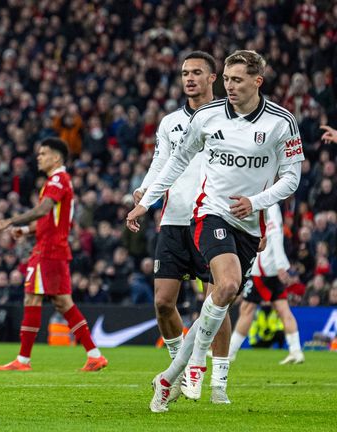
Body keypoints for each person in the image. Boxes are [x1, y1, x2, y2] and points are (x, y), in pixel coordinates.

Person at [127, 50, 304, 412]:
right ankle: (189, 369)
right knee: (222, 286)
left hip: (248, 224)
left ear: (258, 81)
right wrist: (146, 203)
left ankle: (169, 376)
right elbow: (175, 161)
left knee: (223, 298)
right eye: (227, 79)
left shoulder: (281, 122)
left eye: (237, 80)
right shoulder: (207, 116)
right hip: (209, 215)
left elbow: (292, 178)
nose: (230, 86)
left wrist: (256, 202)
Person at [133, 51, 234, 403]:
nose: (189, 78)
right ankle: (178, 369)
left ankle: (217, 382)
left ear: (213, 78)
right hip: (174, 219)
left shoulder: (229, 118)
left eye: (196, 73)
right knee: (163, 302)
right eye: (184, 73)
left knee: (215, 300)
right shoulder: (170, 122)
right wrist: (145, 191)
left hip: (211, 217)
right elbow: (161, 161)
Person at [0, 137, 108, 372]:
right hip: (54, 248)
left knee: (33, 298)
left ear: (56, 157)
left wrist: (10, 220)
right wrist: (24, 230)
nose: (39, 157)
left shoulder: (57, 179)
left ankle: (23, 360)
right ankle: (94, 355)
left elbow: (44, 209)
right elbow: (49, 219)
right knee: (63, 302)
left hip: (48, 251)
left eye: (43, 153)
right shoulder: (58, 181)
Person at [229, 204, 304, 364]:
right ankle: (296, 350)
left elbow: (275, 234)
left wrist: (280, 264)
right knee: (283, 309)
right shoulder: (269, 203)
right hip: (271, 267)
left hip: (263, 268)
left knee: (247, 308)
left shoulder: (269, 204)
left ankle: (230, 352)